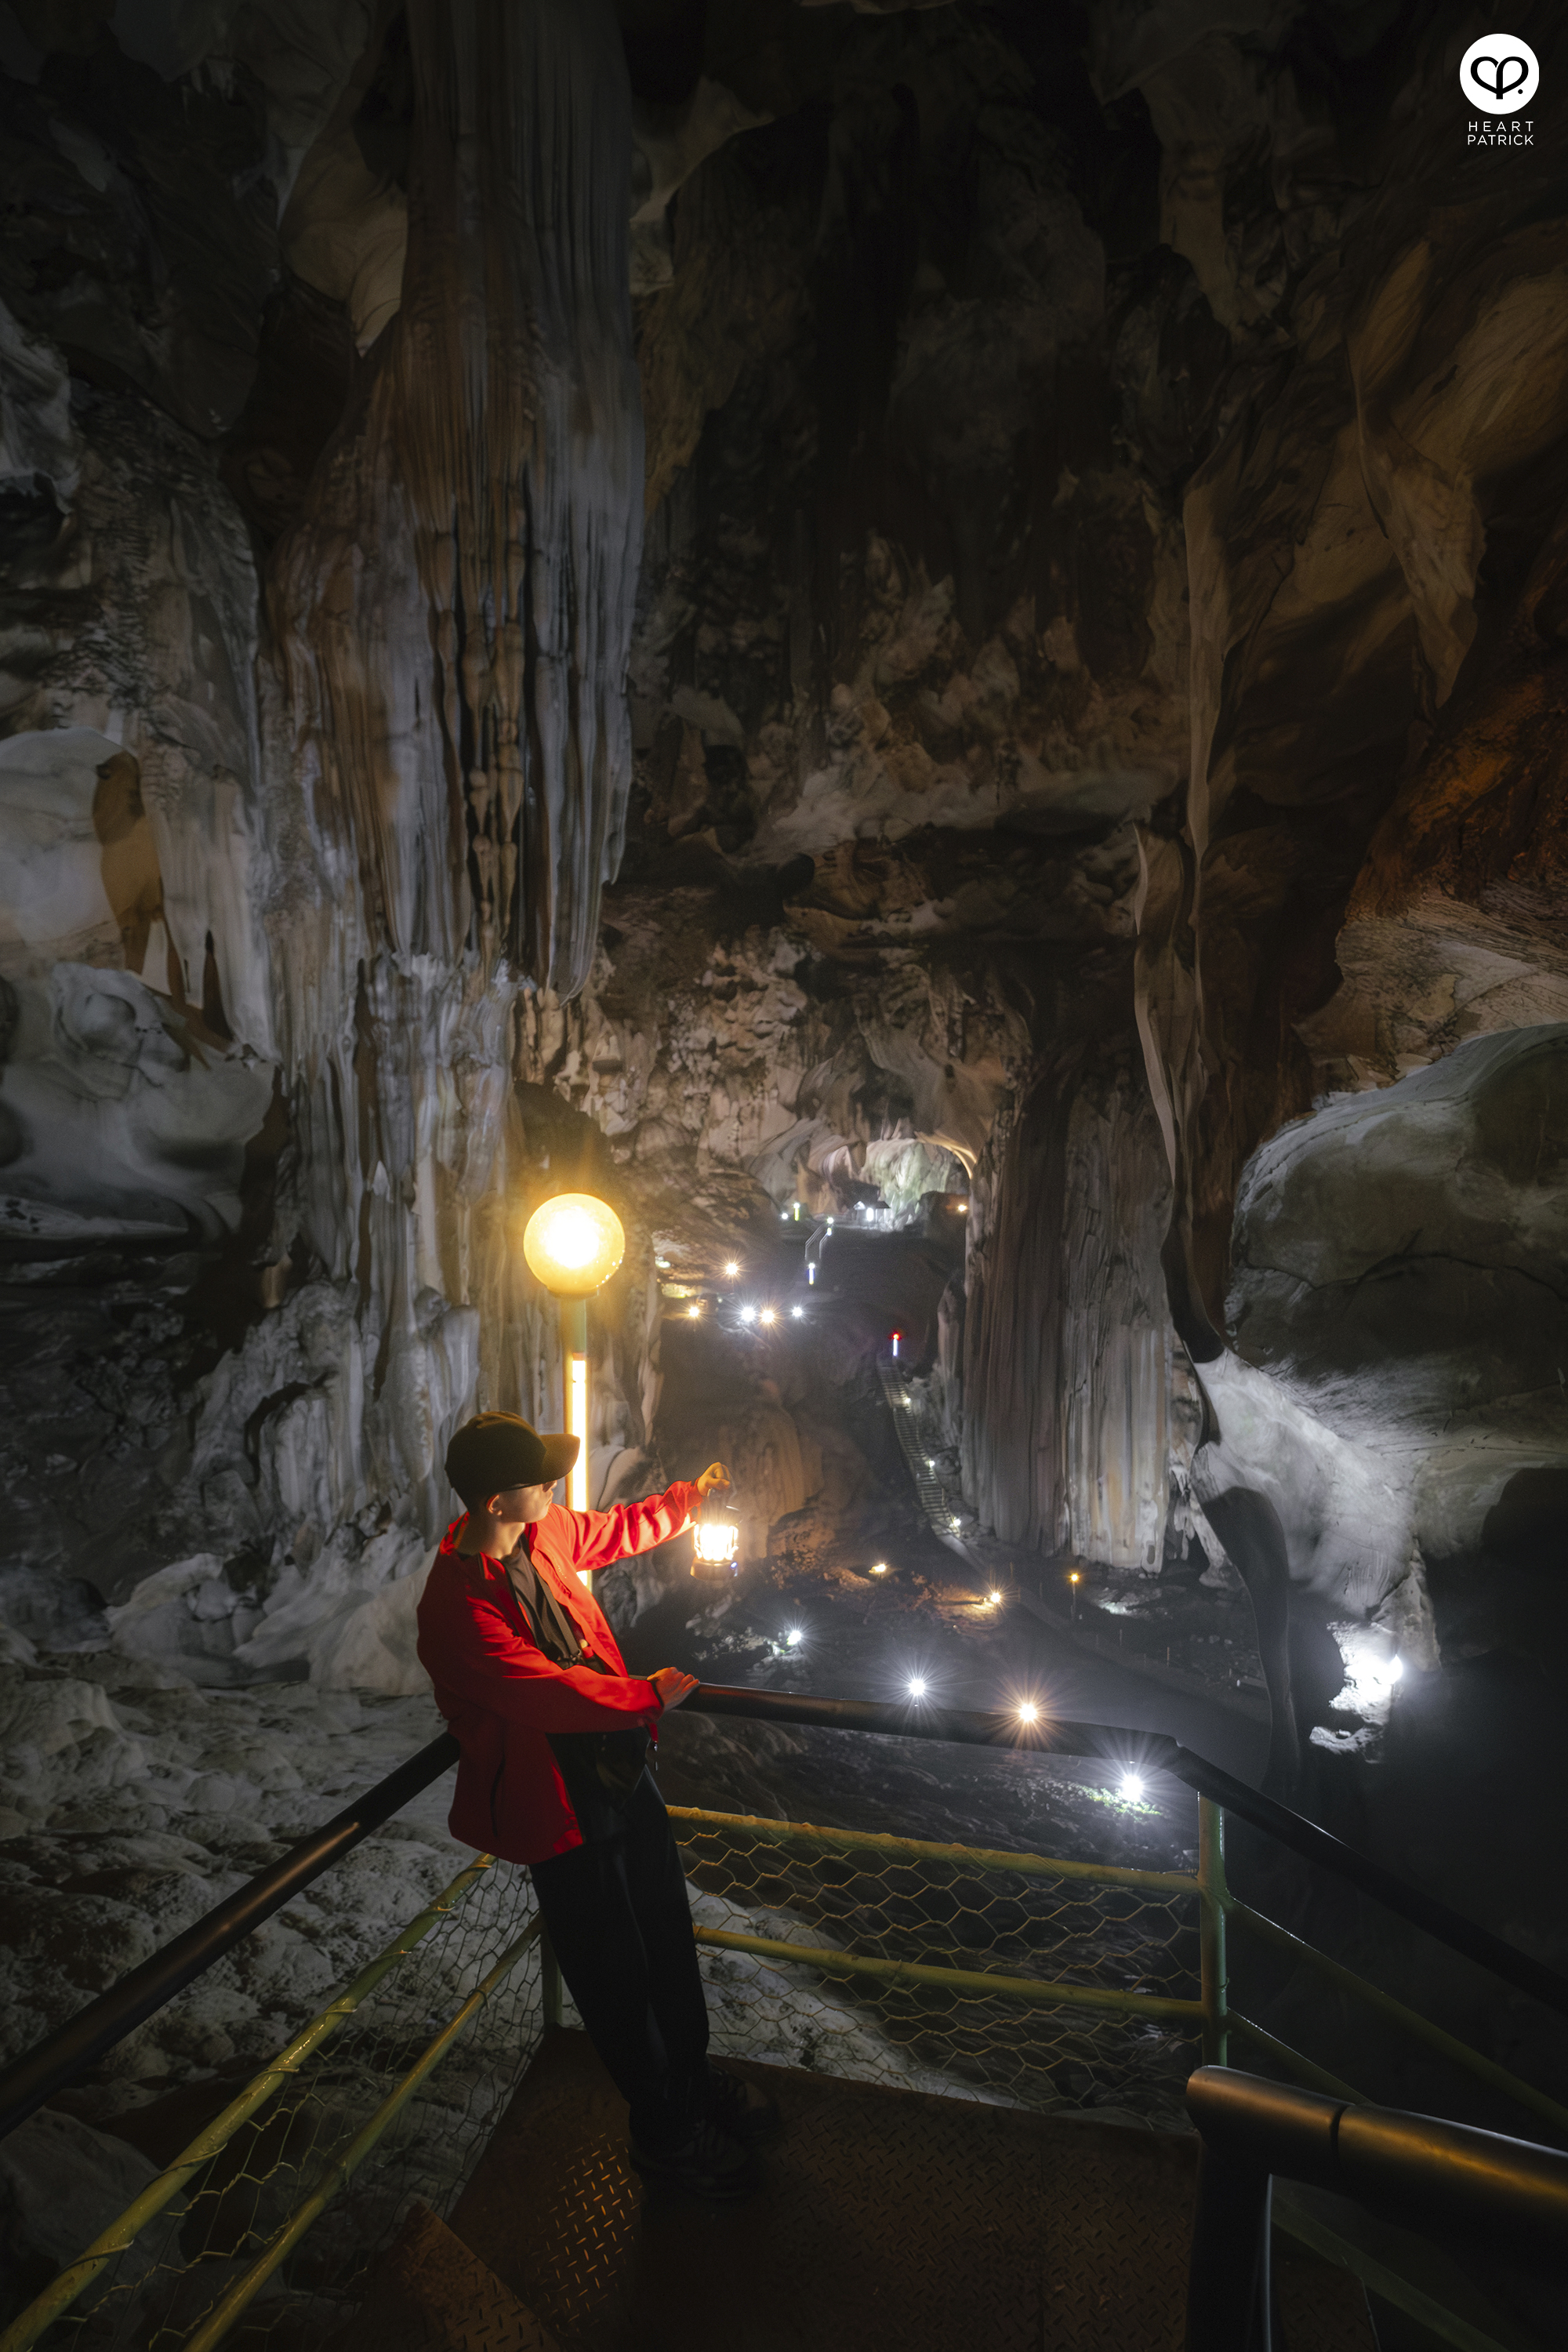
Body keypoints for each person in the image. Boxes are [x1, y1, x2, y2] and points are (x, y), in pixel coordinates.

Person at [415, 1409, 778, 2199]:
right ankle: (661, 2129)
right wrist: (641, 1695)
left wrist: (689, 1500)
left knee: (664, 1936)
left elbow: (614, 1530)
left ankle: (690, 2078)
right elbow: (545, 1694)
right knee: (612, 1970)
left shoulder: (542, 1536)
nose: (553, 1487)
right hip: (558, 1808)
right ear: (498, 1501)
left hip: (618, 1776)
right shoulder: (457, 1610)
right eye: (538, 1480)